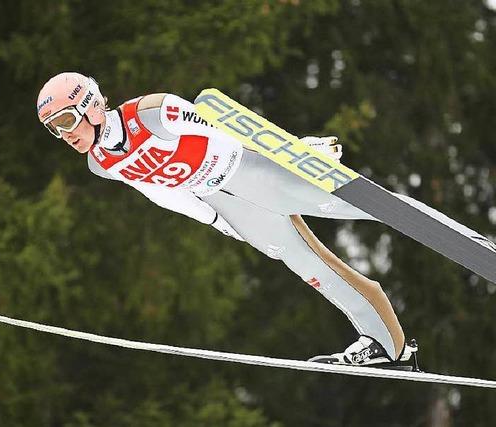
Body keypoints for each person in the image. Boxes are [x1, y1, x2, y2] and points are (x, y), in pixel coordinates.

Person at [36, 71, 420, 369]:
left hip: (252, 171)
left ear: (92, 107)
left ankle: (438, 224)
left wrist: (296, 150)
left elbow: (225, 127)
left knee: (352, 203)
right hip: (227, 204)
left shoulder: (152, 113)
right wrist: (215, 219)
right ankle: (386, 344)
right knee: (306, 263)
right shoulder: (100, 164)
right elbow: (157, 190)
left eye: (67, 120)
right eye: (54, 129)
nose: (64, 134)